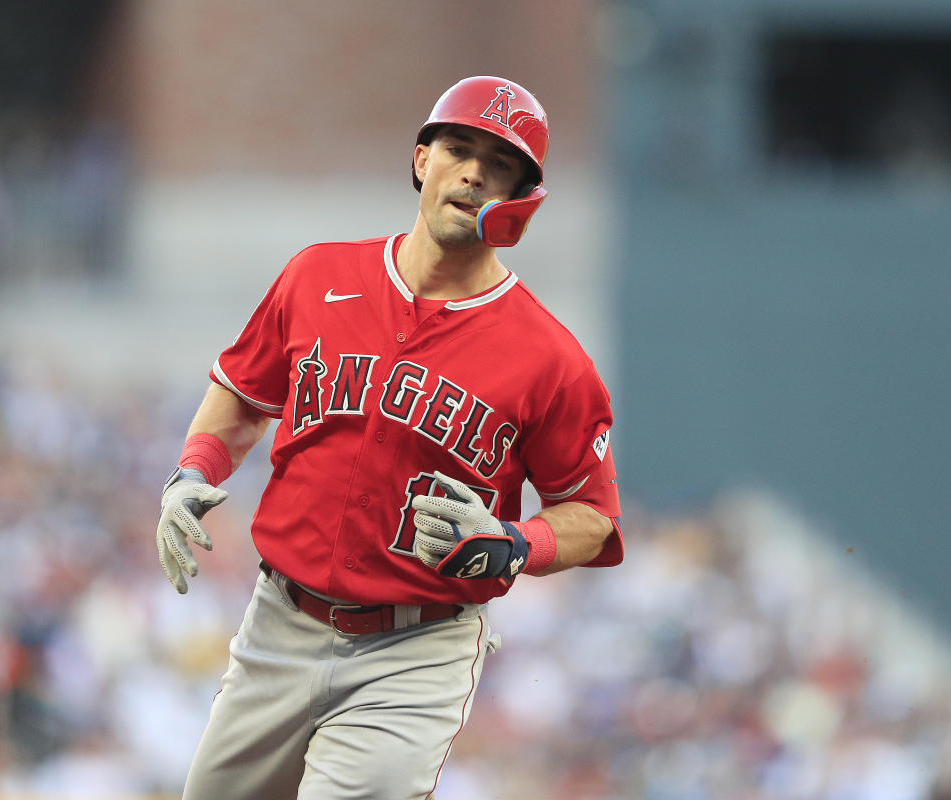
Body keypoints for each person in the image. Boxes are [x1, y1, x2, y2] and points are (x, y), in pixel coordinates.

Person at [156, 75, 624, 800]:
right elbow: (244, 395)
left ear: (522, 204)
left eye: (500, 165)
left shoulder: (551, 359)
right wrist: (192, 469)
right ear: (419, 161)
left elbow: (593, 517)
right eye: (458, 149)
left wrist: (515, 541)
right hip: (280, 623)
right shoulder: (319, 275)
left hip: (416, 647)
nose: (472, 173)